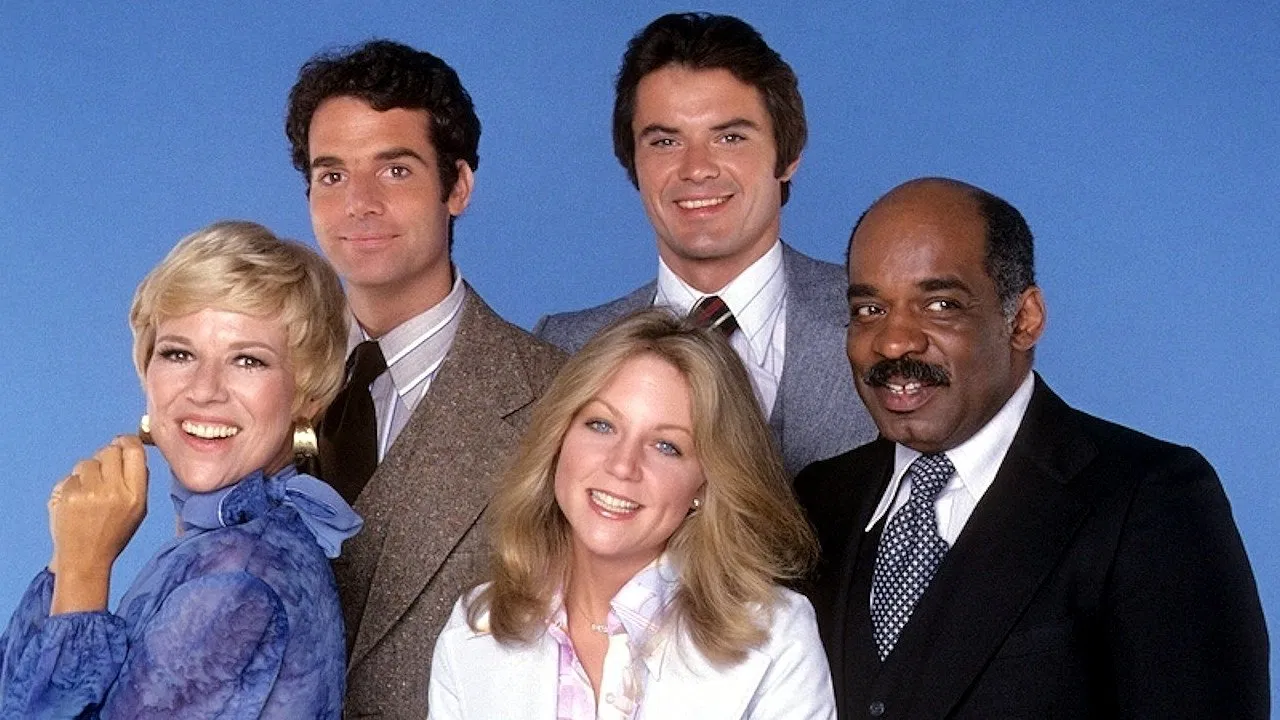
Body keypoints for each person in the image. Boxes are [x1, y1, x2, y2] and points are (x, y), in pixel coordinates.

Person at [796, 177, 1269, 718]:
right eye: (869, 310)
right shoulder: (820, 499)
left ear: (1024, 320)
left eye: (941, 304)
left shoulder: (1149, 499)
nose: (894, 341)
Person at [284, 39, 567, 716]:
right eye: (332, 175)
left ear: (458, 186)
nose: (359, 203)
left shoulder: (559, 398)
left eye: (395, 170)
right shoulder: (257, 376)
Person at [0, 221, 360, 717]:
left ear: (308, 396)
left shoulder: (240, 577)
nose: (204, 390)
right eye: (178, 353)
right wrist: (69, 557)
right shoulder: (226, 545)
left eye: (248, 361)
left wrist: (85, 568)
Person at [429, 310, 835, 719]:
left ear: (705, 483)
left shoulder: (776, 639)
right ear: (558, 438)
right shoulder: (473, 627)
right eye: (602, 425)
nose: (622, 465)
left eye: (666, 446)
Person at [534, 12, 875, 476]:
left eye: (730, 138)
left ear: (788, 156)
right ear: (632, 162)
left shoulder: (876, 322)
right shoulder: (563, 348)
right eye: (665, 142)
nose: (696, 169)